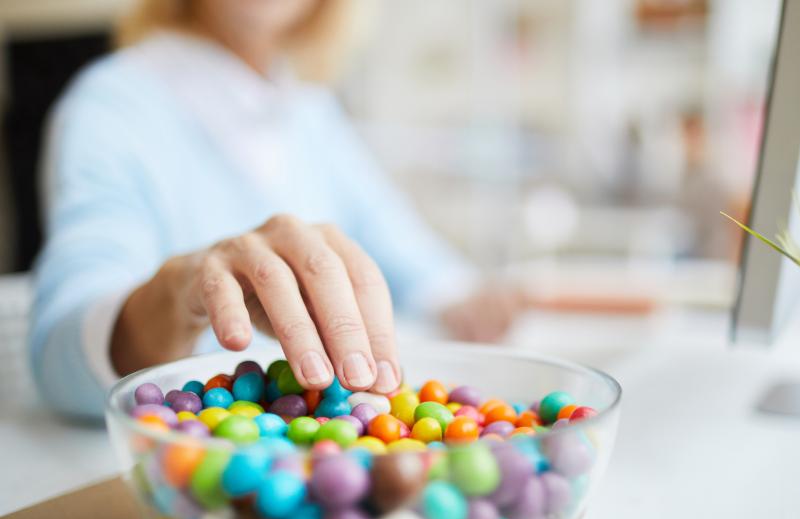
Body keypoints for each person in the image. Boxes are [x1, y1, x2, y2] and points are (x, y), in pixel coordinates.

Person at [30, 0, 517, 419]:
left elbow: (403, 245)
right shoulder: (109, 103)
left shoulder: (309, 110)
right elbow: (60, 353)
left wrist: (464, 295)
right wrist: (185, 288)